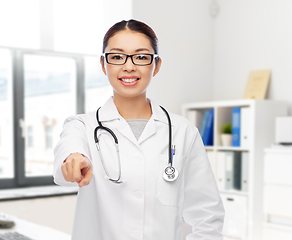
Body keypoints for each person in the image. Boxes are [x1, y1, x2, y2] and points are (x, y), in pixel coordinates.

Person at [53, 19, 224, 240]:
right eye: (117, 57)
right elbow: (67, 154)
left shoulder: (183, 132)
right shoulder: (83, 126)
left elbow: (207, 216)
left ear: (157, 65)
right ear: (104, 65)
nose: (129, 66)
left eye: (141, 57)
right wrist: (74, 159)